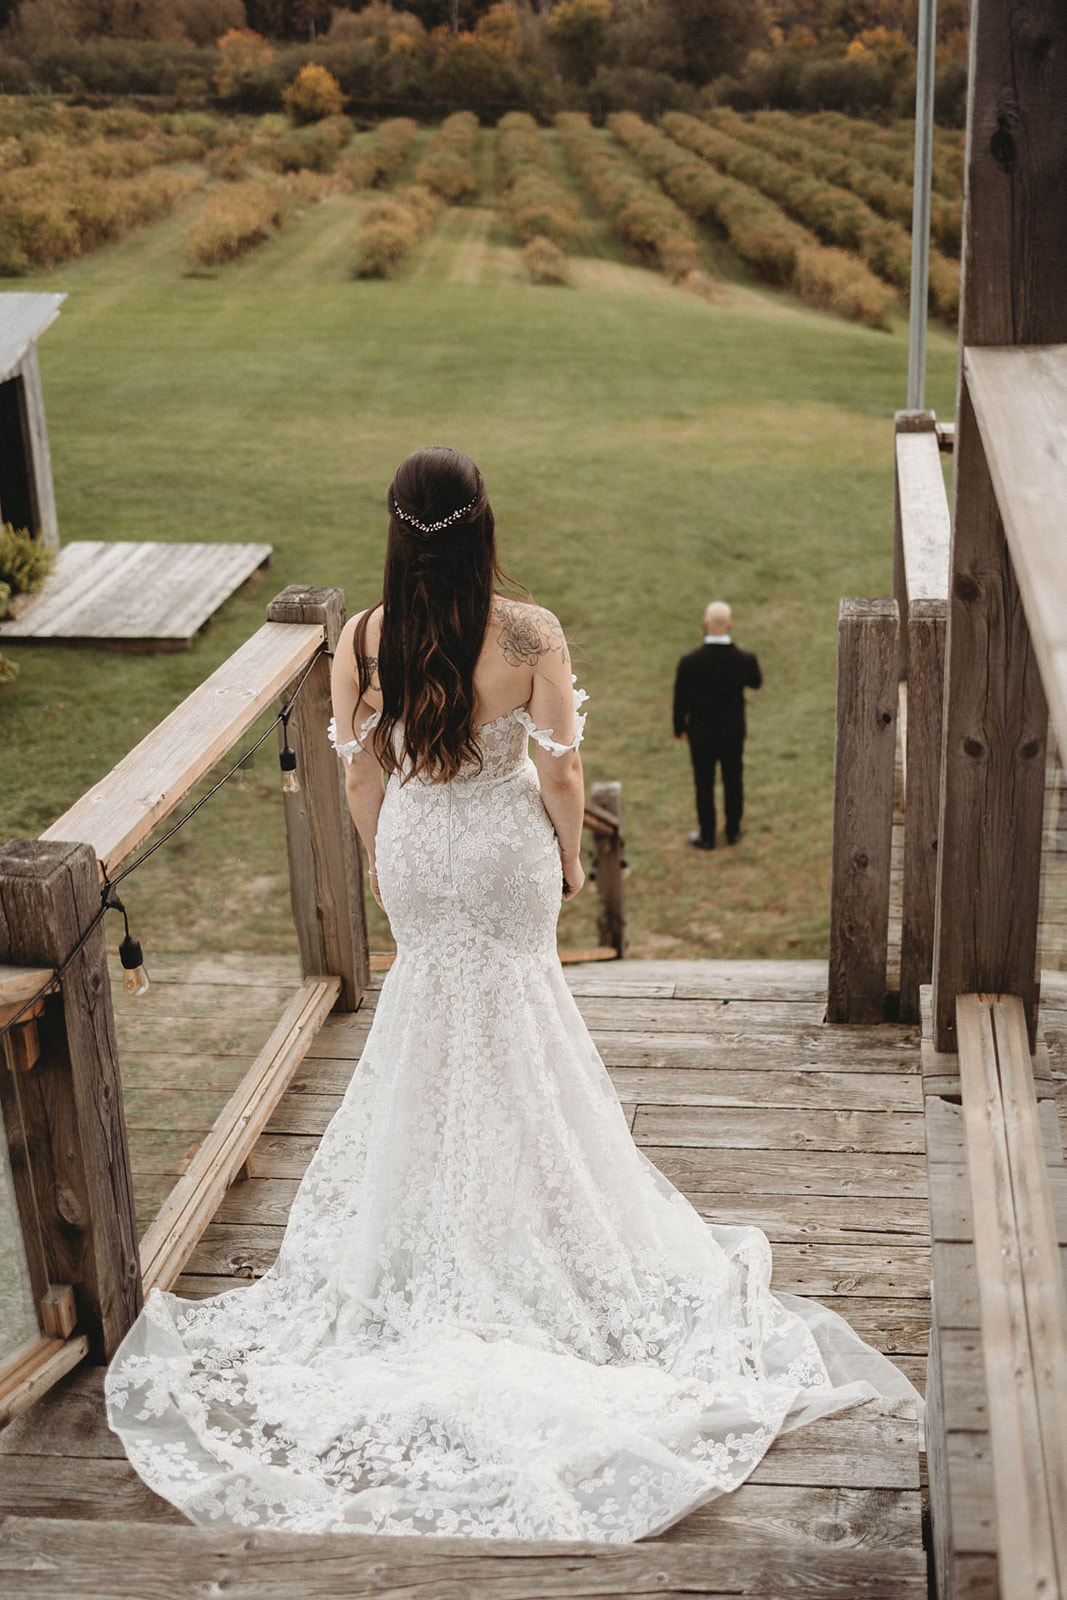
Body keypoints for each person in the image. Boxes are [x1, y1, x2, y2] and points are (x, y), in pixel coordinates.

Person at [105, 447, 917, 1542]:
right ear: (482, 526)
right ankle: (538, 1220)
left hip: (420, 852)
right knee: (521, 1020)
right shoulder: (530, 634)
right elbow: (561, 773)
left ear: (396, 532)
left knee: (427, 1025)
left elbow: (358, 772)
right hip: (499, 851)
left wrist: (389, 865)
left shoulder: (359, 639)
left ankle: (432, 1216)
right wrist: (571, 862)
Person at [673, 600, 762, 849]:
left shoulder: (689, 662)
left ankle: (707, 835)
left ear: (705, 625)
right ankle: (733, 830)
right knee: (734, 777)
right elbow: (756, 682)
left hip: (700, 733)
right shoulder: (744, 659)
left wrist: (679, 727)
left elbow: (681, 699)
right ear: (730, 625)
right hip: (733, 730)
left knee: (704, 783)